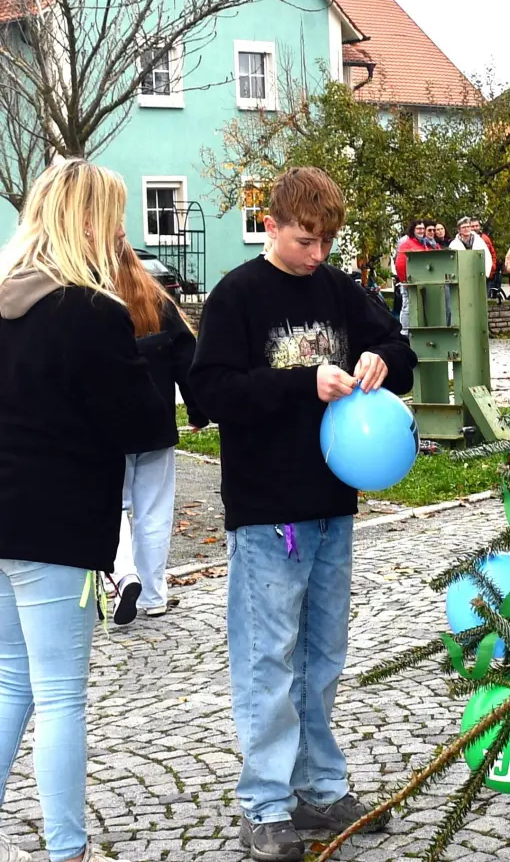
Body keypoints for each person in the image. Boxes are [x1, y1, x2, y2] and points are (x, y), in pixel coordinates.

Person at [189, 167, 418, 862]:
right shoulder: (238, 294)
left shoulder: (340, 289)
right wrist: (299, 383)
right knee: (268, 659)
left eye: (325, 241)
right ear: (273, 224)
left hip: (331, 505)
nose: (317, 253)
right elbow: (210, 392)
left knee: (322, 657)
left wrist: (380, 357)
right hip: (266, 511)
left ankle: (319, 788)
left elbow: (402, 353)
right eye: (305, 239)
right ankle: (264, 804)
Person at [0, 159, 170, 862]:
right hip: (60, 528)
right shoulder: (91, 313)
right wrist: (151, 363)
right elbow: (140, 427)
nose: (124, 232)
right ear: (90, 223)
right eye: (118, 216)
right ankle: (65, 849)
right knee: (62, 696)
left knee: (12, 682)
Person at [107, 243, 208, 624]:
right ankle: (154, 593)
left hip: (106, 427)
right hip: (155, 420)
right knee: (153, 511)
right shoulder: (157, 301)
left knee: (110, 507)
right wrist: (199, 410)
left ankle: (121, 577)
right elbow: (188, 357)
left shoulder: (93, 302)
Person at [393, 220, 430, 327]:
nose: (421, 231)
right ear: (413, 230)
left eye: (423, 229)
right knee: (408, 307)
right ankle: (404, 331)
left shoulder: (424, 244)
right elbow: (400, 264)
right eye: (418, 229)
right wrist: (404, 280)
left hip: (422, 281)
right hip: (409, 282)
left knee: (420, 307)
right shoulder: (406, 244)